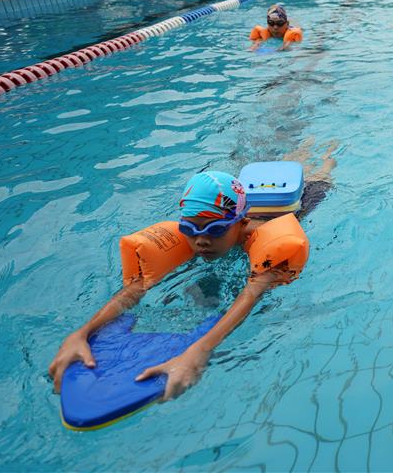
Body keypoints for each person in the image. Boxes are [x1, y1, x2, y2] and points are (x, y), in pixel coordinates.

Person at [48, 171, 310, 401]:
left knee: (317, 173)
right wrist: (82, 333)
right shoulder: (195, 235)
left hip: (302, 202)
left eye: (215, 230)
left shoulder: (263, 243)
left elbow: (250, 295)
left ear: (242, 223)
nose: (201, 241)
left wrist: (199, 350)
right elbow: (137, 288)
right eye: (189, 228)